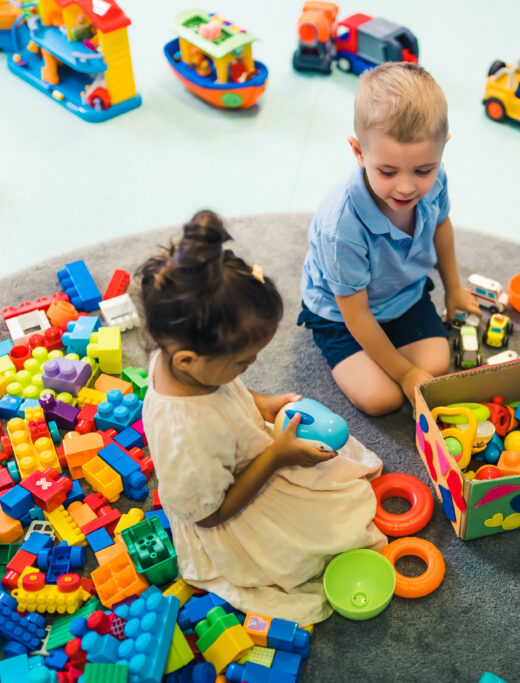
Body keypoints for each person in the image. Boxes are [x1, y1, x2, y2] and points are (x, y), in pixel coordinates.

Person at [139, 210, 385, 626]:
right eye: (241, 362)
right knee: (337, 531)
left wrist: (260, 402)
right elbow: (209, 514)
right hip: (229, 509)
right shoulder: (186, 436)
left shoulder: (181, 363)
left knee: (342, 479)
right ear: (187, 359)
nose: (250, 366)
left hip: (245, 453)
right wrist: (276, 458)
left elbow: (223, 392)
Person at [298, 62, 479, 416]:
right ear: (359, 152)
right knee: (383, 399)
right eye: (387, 171)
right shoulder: (342, 228)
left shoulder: (438, 178)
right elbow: (357, 315)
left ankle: (391, 356)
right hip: (343, 314)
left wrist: (454, 288)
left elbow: (441, 226)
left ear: (443, 147)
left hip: (401, 294)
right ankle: (362, 355)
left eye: (423, 170)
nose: (407, 186)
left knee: (438, 366)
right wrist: (405, 371)